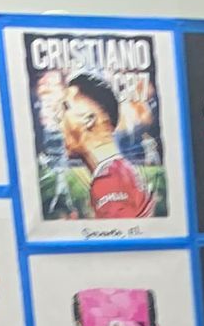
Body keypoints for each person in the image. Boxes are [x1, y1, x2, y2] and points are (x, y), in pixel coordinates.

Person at [59, 70, 155, 220]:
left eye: (66, 107)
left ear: (89, 120)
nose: (59, 117)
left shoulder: (107, 181)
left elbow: (120, 241)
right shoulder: (118, 171)